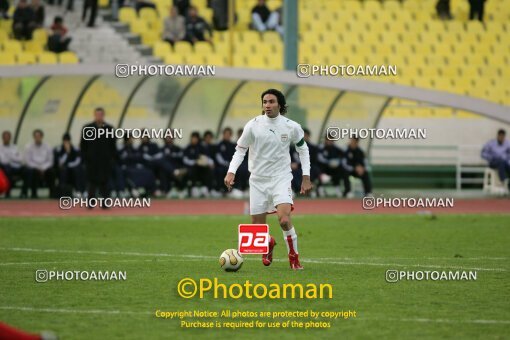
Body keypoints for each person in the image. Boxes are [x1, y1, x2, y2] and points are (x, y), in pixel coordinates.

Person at [224, 89, 312, 270]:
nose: (267, 105)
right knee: (257, 229)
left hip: (281, 178)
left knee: (284, 220)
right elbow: (240, 149)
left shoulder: (291, 126)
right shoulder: (253, 125)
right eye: (265, 102)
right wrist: (231, 171)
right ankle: (269, 243)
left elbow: (303, 149)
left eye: (271, 101)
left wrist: (306, 176)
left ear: (280, 104)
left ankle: (294, 257)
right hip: (257, 180)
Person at [80, 107, 117, 208]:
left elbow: (113, 146)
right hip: (91, 161)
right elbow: (83, 145)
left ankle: (105, 204)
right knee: (92, 182)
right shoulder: (88, 128)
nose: (99, 116)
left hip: (105, 161)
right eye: (97, 114)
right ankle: (90, 204)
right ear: (94, 115)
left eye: (101, 114)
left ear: (103, 115)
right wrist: (85, 158)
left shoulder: (109, 128)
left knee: (104, 182)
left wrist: (112, 158)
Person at [23, 129, 55, 198]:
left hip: (45, 168)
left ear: (42, 137)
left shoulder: (47, 146)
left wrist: (43, 168)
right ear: (33, 137)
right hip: (34, 167)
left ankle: (52, 193)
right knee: (32, 172)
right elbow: (28, 161)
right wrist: (38, 168)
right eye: (36, 136)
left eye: (39, 136)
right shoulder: (28, 147)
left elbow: (50, 161)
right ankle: (34, 193)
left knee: (51, 172)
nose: (37, 138)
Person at [183, 131, 214, 197]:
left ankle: (205, 188)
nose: (194, 140)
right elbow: (185, 160)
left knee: (208, 169)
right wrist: (194, 162)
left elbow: (207, 157)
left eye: (196, 138)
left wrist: (209, 162)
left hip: (201, 167)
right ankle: (193, 188)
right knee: (194, 169)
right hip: (191, 167)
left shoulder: (201, 147)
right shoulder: (188, 147)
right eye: (193, 138)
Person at [317, 133, 348, 197]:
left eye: (331, 140)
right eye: (328, 139)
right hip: (324, 168)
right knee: (319, 170)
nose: (329, 141)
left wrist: (337, 162)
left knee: (341, 170)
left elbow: (343, 156)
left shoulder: (336, 148)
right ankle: (320, 188)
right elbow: (319, 158)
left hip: (334, 169)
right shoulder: (321, 148)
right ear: (325, 140)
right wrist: (329, 162)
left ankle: (338, 188)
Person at [54, 133, 85, 197]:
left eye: (68, 141)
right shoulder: (59, 149)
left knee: (78, 170)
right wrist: (67, 153)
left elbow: (78, 161)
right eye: (65, 141)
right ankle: (63, 192)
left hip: (74, 167)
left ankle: (79, 191)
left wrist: (70, 165)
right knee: (63, 170)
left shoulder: (75, 149)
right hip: (64, 168)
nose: (66, 143)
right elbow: (60, 162)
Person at [0, 130, 24, 198]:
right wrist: (13, 157)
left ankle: (23, 193)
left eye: (8, 137)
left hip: (15, 167)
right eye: (5, 137)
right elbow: (3, 160)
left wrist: (11, 157)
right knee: (7, 168)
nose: (6, 139)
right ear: (3, 138)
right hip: (5, 168)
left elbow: (21, 158)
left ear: (10, 138)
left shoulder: (15, 147)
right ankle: (7, 192)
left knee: (27, 170)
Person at [215, 127, 236, 196]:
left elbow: (235, 156)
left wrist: (231, 165)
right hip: (221, 165)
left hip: (231, 166)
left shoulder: (233, 145)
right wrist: (225, 163)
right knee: (220, 171)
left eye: (228, 134)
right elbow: (218, 156)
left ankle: (232, 190)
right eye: (225, 134)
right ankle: (220, 189)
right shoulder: (219, 145)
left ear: (231, 135)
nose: (227, 135)